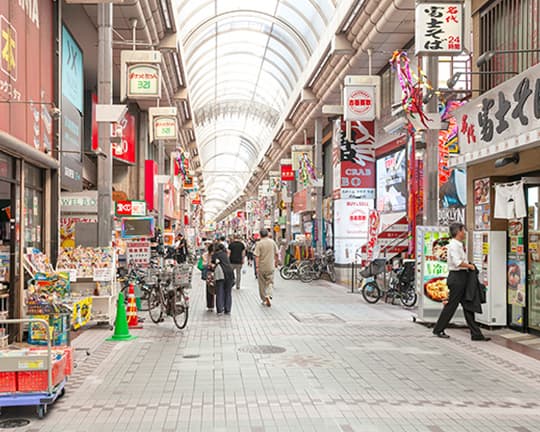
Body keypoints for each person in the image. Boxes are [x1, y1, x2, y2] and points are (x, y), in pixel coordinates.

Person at [432, 223, 490, 341]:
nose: (465, 232)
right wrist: (470, 266)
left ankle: (476, 334)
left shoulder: (458, 245)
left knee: (468, 304)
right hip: (457, 278)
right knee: (452, 305)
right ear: (458, 232)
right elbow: (458, 262)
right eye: (463, 230)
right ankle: (438, 329)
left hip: (462, 277)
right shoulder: (453, 245)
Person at [254, 229, 279, 307]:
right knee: (270, 282)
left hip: (262, 267)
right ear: (267, 234)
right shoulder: (272, 242)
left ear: (260, 235)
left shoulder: (259, 244)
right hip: (270, 266)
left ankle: (264, 299)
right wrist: (276, 263)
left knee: (262, 284)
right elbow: (277, 254)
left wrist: (257, 267)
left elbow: (257, 256)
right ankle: (269, 294)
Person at [212, 243, 235, 315]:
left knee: (220, 291)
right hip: (230, 273)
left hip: (221, 274)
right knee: (228, 292)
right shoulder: (225, 254)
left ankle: (220, 310)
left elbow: (213, 263)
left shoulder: (216, 254)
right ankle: (227, 309)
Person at [203, 243, 215, 312]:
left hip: (212, 273)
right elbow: (204, 264)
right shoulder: (206, 255)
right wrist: (210, 264)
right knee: (210, 288)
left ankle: (212, 304)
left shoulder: (207, 255)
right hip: (211, 273)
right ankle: (210, 305)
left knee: (212, 288)